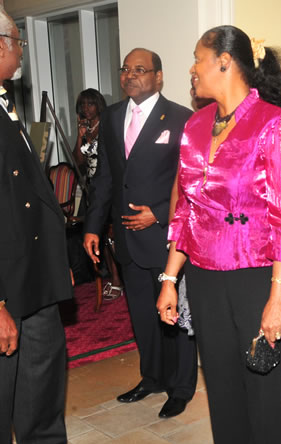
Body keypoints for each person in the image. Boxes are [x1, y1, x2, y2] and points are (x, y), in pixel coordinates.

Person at [156, 26, 281, 444]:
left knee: (262, 388)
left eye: (198, 59)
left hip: (258, 275)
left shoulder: (275, 124)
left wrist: (278, 297)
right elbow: (185, 212)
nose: (192, 69)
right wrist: (170, 278)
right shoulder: (195, 126)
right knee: (220, 387)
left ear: (225, 63)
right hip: (204, 276)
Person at [0, 9, 102, 444]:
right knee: (4, 381)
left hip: (32, 268)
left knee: (45, 364)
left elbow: (30, 195)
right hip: (5, 280)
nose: (21, 51)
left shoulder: (6, 105)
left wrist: (52, 262)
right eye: (18, 41)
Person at [83, 48, 197, 419]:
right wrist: (92, 227)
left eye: (140, 70)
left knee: (174, 315)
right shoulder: (112, 117)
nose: (131, 75)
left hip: (167, 240)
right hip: (126, 242)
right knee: (142, 315)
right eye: (126, 69)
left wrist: (160, 214)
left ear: (159, 77)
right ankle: (152, 376)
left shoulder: (182, 119)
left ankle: (181, 387)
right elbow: (104, 180)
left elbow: (194, 184)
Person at [72, 88, 124, 300]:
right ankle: (113, 277)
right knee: (100, 237)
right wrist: (80, 135)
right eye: (83, 105)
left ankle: (119, 279)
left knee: (113, 236)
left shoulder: (107, 125)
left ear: (99, 105)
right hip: (92, 189)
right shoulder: (84, 128)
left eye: (90, 104)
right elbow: (79, 161)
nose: (86, 109)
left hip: (109, 188)